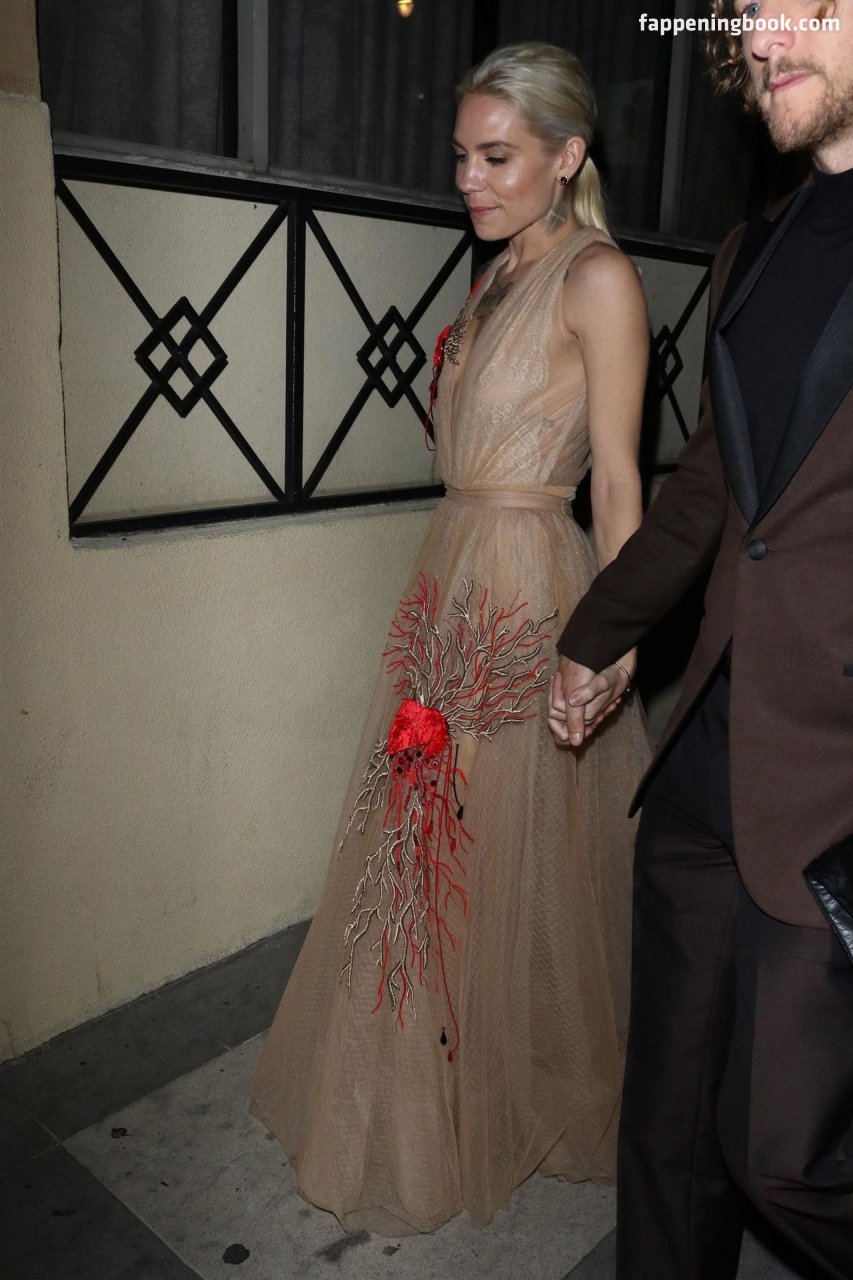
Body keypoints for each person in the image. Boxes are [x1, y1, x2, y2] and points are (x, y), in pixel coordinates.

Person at [250, 42, 651, 1235]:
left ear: (566, 157)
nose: (468, 180)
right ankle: (424, 1085)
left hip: (526, 590)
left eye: (495, 157)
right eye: (462, 157)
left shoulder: (598, 278)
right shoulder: (497, 271)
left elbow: (618, 477)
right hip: (455, 573)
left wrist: (614, 631)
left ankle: (459, 1099)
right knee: (431, 836)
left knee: (467, 849)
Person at [548, 2, 853, 1277]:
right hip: (703, 763)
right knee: (667, 1129)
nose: (760, 41)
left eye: (802, 5)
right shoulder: (752, 250)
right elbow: (708, 495)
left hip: (833, 792)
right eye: (745, 13)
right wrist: (597, 631)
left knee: (781, 1149)